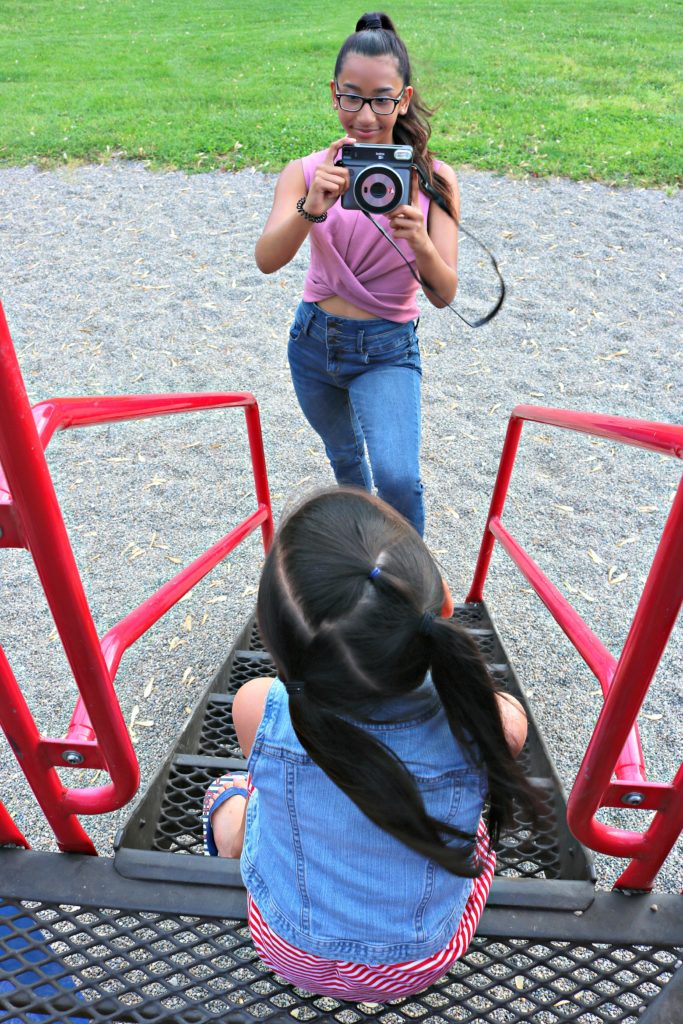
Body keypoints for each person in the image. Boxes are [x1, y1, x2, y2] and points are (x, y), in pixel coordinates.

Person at [203, 488, 536, 1002]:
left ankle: (230, 843)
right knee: (472, 837)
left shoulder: (256, 704)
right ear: (441, 605)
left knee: (229, 789)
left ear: (276, 644)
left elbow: (267, 778)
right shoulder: (494, 721)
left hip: (286, 944)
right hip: (420, 957)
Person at [254, 12, 460, 537]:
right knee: (347, 465)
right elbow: (267, 259)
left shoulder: (435, 180)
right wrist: (310, 206)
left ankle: (412, 590)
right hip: (313, 344)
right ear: (334, 94)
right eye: (352, 97)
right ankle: (366, 564)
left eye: (381, 98)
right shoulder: (305, 172)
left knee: (397, 477)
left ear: (404, 98)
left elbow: (445, 293)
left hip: (387, 347)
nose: (366, 114)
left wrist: (418, 239)